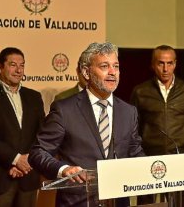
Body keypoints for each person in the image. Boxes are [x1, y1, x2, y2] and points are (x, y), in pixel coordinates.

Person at [28, 42, 145, 207]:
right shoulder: (65, 110)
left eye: (116, 66)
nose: (113, 72)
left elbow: (135, 152)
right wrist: (63, 169)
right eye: (104, 66)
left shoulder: (128, 111)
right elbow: (38, 152)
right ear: (86, 72)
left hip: (118, 201)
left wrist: (153, 170)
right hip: (77, 201)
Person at [0, 47, 45, 207]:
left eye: (22, 65)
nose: (19, 70)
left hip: (29, 176)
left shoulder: (34, 97)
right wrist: (16, 160)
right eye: (13, 65)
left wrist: (27, 161)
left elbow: (42, 134)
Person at [130, 45, 184, 207]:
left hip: (179, 158)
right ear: (153, 65)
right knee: (147, 203)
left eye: (170, 63)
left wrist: (183, 148)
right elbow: (133, 126)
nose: (165, 68)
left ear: (175, 64)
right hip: (148, 158)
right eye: (161, 63)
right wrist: (141, 152)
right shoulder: (140, 91)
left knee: (180, 203)